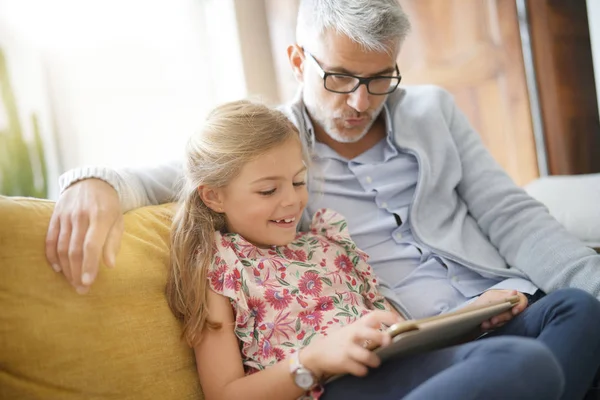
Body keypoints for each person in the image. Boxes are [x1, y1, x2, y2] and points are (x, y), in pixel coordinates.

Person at [44, 0, 600, 391]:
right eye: (339, 77)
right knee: (522, 365)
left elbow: (511, 214)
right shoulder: (272, 152)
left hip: (505, 302)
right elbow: (170, 175)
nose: (360, 102)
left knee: (581, 308)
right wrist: (92, 181)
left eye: (380, 77)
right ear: (296, 61)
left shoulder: (433, 111)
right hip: (416, 339)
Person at [165, 99, 600, 400]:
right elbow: (225, 393)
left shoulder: (325, 242)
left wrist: (470, 319)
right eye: (266, 190)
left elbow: (398, 330)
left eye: (298, 182)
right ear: (214, 196)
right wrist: (312, 359)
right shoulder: (221, 264)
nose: (291, 201)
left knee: (576, 309)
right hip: (336, 388)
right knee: (520, 362)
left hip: (400, 367)